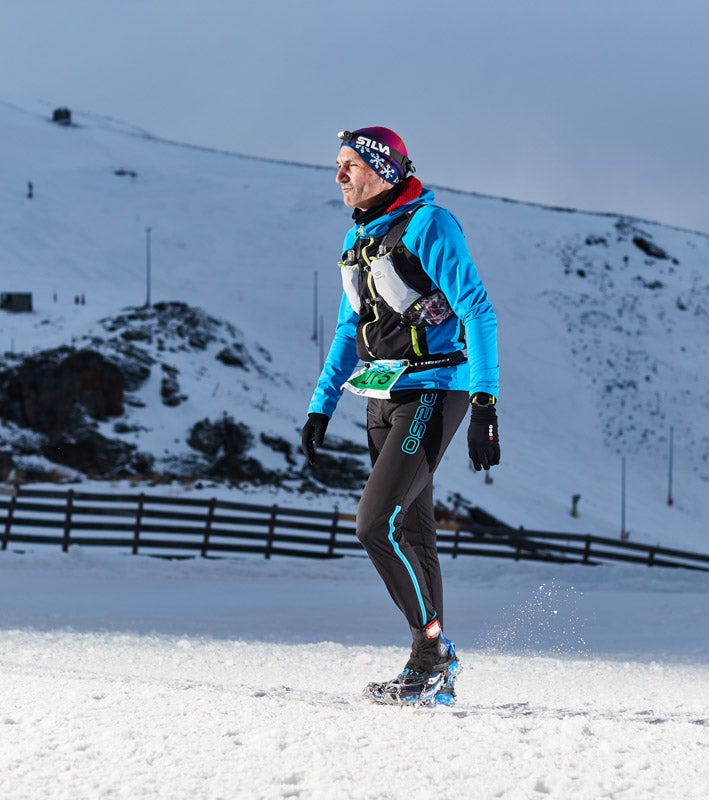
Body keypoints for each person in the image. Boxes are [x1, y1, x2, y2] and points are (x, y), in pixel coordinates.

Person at [300, 126, 501, 706]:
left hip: (436, 388)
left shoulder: (429, 226)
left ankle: (432, 651)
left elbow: (479, 312)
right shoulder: (360, 238)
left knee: (373, 525)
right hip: (380, 394)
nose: (338, 175)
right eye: (336, 164)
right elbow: (348, 328)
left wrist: (485, 403)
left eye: (350, 164)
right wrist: (321, 404)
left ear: (384, 169)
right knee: (413, 532)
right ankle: (430, 669)